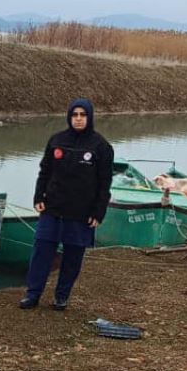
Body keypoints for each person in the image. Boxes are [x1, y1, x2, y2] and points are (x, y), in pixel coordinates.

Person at [20, 98, 114, 310]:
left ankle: (61, 296)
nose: (78, 119)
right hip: (53, 208)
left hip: (81, 213)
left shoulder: (101, 147)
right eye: (75, 115)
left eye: (83, 115)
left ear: (89, 118)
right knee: (41, 252)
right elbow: (45, 172)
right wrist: (38, 197)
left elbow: (104, 183)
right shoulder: (56, 141)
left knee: (72, 257)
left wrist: (98, 212)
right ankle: (32, 294)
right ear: (69, 117)